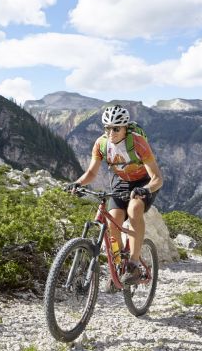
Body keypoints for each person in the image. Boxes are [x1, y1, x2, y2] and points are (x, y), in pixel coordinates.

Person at [67, 105, 163, 287]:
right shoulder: (101, 144)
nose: (111, 132)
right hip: (121, 183)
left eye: (116, 128)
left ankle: (133, 265)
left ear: (125, 128)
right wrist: (78, 183)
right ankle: (119, 267)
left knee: (135, 208)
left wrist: (146, 189)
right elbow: (91, 172)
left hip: (143, 182)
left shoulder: (138, 142)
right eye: (107, 128)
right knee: (113, 222)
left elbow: (157, 178)